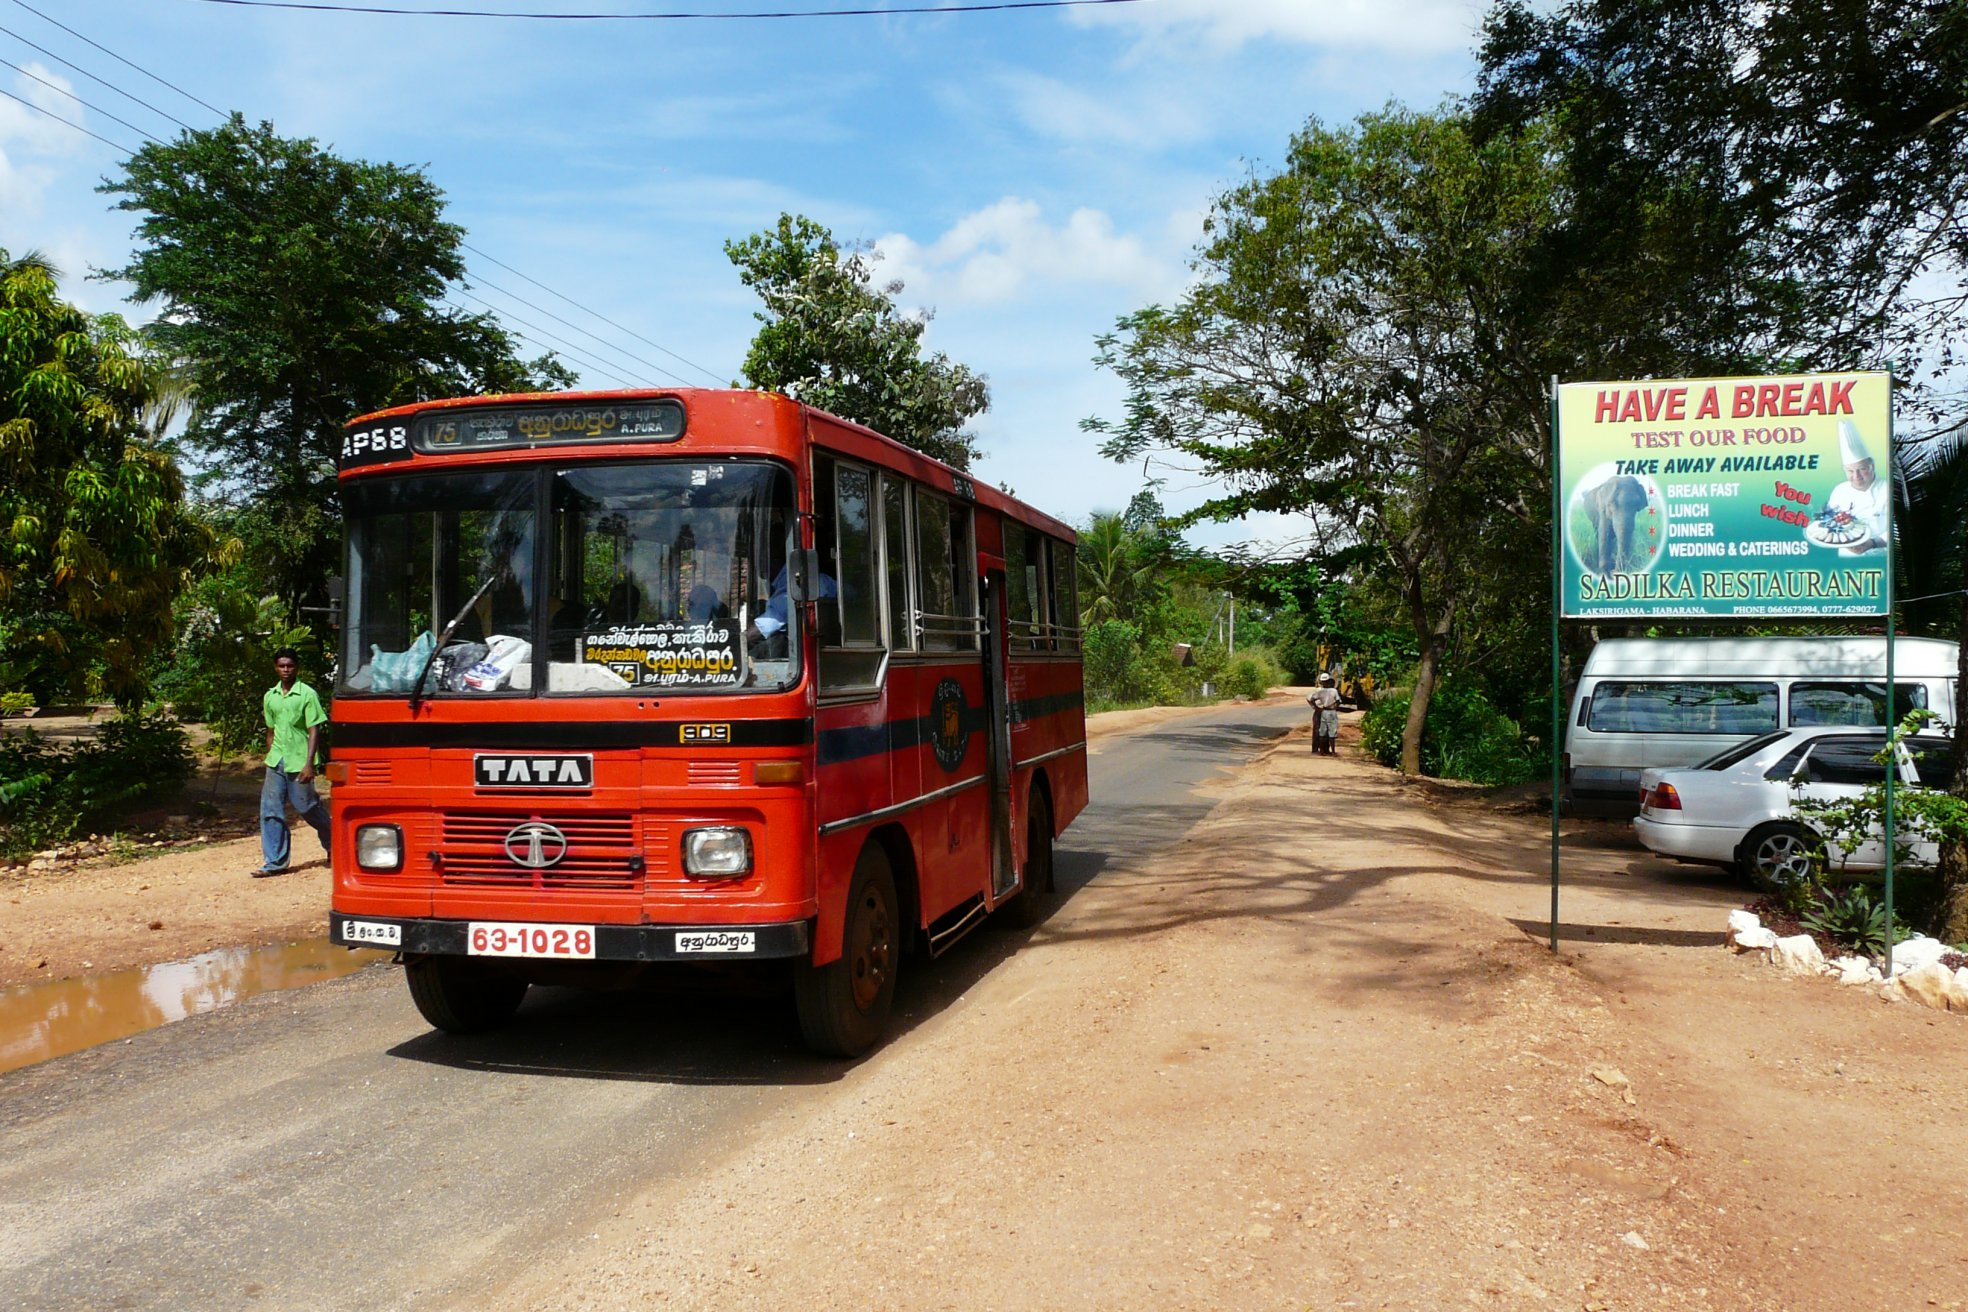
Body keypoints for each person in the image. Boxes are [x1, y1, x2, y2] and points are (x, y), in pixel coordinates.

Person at [256, 647, 331, 878]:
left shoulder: (307, 694)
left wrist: (310, 763)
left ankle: (335, 843)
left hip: (299, 760)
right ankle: (275, 862)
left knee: (305, 807)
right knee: (271, 809)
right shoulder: (271, 696)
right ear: (275, 668)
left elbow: (314, 729)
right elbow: (271, 730)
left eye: (289, 665)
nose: (286, 670)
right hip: (277, 760)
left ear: (296, 667)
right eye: (281, 666)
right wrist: (270, 758)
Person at [1824, 420, 1888, 555]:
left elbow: (1898, 529)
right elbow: (1829, 522)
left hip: (1880, 559)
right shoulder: (1839, 491)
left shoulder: (1887, 489)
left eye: (1862, 469)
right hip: (1847, 561)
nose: (1856, 476)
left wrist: (1873, 543)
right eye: (1850, 471)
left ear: (1872, 466)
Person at [1307, 672, 1342, 756]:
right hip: (1325, 711)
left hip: (1322, 711)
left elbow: (1310, 699)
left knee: (1322, 731)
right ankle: (1320, 749)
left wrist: (1316, 707)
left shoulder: (1321, 690)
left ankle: (1323, 750)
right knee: (1325, 731)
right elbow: (1338, 701)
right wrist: (1317, 708)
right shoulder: (1324, 690)